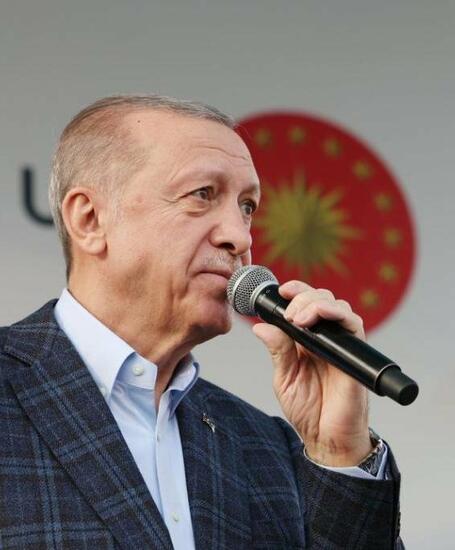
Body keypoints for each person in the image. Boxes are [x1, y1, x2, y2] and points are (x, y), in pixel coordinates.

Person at [0, 95, 402, 549]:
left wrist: (339, 453)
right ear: (89, 219)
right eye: (202, 195)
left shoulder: (269, 447)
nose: (239, 237)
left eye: (247, 207)